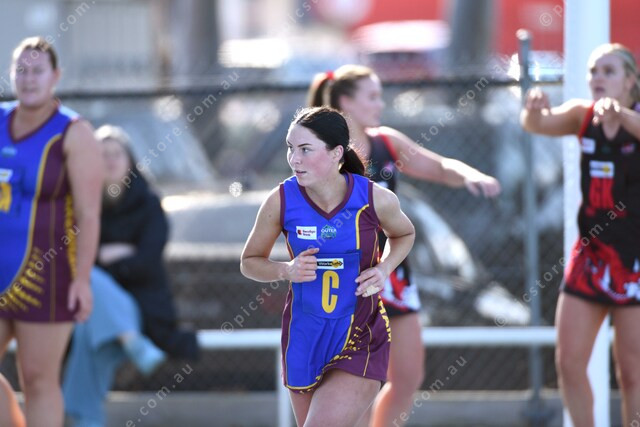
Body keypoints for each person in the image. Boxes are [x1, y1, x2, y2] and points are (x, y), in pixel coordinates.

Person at [307, 65, 501, 426]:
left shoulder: (386, 142)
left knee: (408, 377)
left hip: (392, 273)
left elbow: (438, 167)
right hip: (348, 278)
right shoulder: (325, 152)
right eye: (372, 97)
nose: (380, 104)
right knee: (359, 379)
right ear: (346, 102)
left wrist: (469, 175)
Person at [241, 106, 415, 426]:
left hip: (359, 336)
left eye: (305, 149)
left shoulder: (373, 198)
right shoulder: (281, 200)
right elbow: (249, 262)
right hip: (305, 338)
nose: (294, 159)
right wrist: (286, 270)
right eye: (291, 148)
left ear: (336, 153)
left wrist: (384, 268)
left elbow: (404, 234)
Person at [521, 43, 640, 427]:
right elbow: (537, 125)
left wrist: (623, 116)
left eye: (608, 71)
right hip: (591, 255)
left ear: (630, 81)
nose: (598, 78)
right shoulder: (582, 115)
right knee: (569, 362)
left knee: (632, 372)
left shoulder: (633, 118)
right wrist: (533, 109)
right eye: (593, 71)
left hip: (633, 260)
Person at [62, 125, 199, 427]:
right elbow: (70, 258)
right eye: (103, 154)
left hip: (143, 306)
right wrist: (116, 256)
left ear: (130, 161)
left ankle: (86, 417)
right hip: (91, 308)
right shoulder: (82, 204)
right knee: (88, 311)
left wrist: (102, 258)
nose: (110, 160)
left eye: (117, 154)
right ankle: (131, 343)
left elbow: (147, 262)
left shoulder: (148, 203)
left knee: (89, 289)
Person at [0, 37, 103, 427]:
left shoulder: (74, 132)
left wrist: (82, 280)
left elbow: (89, 215)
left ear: (56, 76)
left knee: (38, 379)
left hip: (46, 274)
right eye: (21, 70)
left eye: (38, 71)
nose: (28, 79)